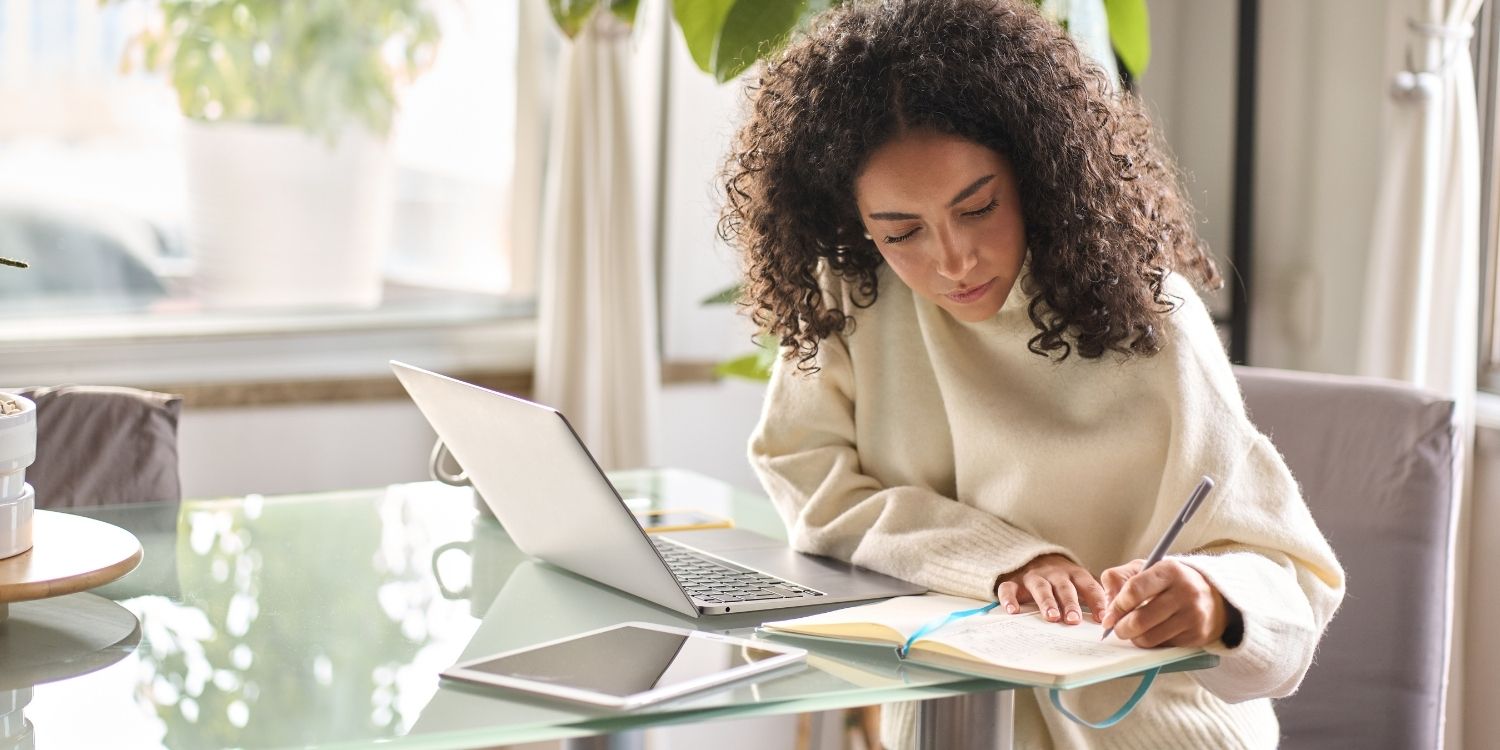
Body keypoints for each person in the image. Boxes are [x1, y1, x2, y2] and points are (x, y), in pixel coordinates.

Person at [719, 1, 1345, 747]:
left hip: (1153, 725)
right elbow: (809, 482)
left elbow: (1286, 576)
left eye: (978, 207)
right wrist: (1006, 560)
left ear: (1037, 171)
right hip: (951, 719)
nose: (952, 261)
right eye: (901, 232)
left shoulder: (1149, 313)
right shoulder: (853, 300)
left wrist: (1214, 601)